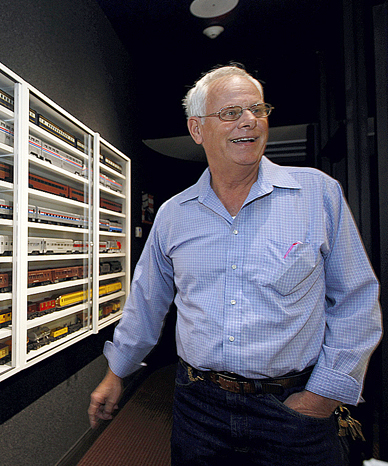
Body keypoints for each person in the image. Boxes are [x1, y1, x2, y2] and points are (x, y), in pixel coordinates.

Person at [87, 64, 382, 465]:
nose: (249, 121)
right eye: (230, 113)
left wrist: (323, 395)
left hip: (294, 412)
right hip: (198, 408)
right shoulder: (174, 214)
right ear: (197, 130)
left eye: (257, 110)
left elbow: (356, 301)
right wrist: (116, 373)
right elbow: (147, 302)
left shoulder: (317, 194)